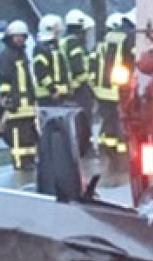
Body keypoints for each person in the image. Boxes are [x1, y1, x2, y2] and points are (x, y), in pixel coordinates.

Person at [91, 12, 135, 162]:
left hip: (103, 87)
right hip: (119, 86)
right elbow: (134, 57)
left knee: (108, 119)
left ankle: (107, 148)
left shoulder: (107, 38)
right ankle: (121, 152)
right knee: (119, 120)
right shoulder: (129, 37)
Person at [0, 20, 37, 171]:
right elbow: (4, 79)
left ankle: (30, 161)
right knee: (17, 136)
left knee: (29, 135)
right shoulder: (5, 56)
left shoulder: (23, 55)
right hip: (15, 105)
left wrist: (33, 98)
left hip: (27, 105)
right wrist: (6, 97)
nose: (19, 39)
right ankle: (20, 164)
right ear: (9, 38)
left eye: (22, 36)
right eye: (16, 36)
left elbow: (28, 80)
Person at [61, 9, 96, 157]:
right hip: (80, 89)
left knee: (75, 121)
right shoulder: (75, 44)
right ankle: (85, 148)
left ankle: (79, 147)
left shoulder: (64, 42)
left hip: (70, 89)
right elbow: (77, 67)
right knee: (84, 119)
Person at [32, 14, 71, 107]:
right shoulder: (41, 48)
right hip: (48, 95)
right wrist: (52, 89)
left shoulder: (55, 47)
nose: (59, 31)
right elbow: (41, 72)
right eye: (56, 28)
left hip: (59, 95)